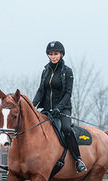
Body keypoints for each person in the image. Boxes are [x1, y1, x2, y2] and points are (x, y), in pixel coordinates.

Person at [32, 41, 87, 173]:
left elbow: (68, 93)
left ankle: (78, 160)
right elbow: (41, 91)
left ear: (61, 54)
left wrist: (59, 108)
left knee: (67, 129)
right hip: (47, 110)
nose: (53, 56)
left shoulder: (67, 72)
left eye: (55, 54)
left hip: (62, 110)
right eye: (50, 54)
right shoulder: (45, 71)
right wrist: (32, 106)